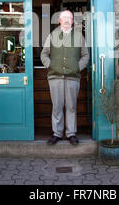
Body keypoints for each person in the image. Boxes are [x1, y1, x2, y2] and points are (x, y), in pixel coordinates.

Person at [40, 10, 89, 145]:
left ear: (72, 21)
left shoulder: (79, 36)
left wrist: (77, 67)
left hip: (73, 78)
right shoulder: (52, 35)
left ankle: (71, 133)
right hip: (55, 77)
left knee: (71, 106)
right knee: (57, 106)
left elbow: (85, 55)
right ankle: (57, 133)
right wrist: (51, 66)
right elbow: (44, 54)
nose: (67, 20)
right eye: (64, 18)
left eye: (69, 18)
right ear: (60, 21)